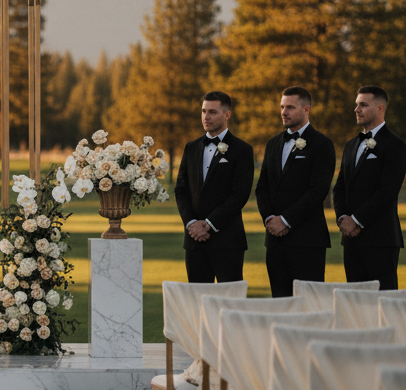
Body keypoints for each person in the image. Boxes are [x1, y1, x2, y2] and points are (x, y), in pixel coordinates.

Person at [255, 87, 337, 297]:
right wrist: (270, 219)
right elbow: (262, 187)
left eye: (290, 107)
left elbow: (317, 191)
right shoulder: (273, 144)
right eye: (282, 107)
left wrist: (286, 220)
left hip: (307, 240)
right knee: (280, 302)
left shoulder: (322, 144)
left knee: (309, 305)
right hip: (275, 241)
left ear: (306, 109)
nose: (284, 112)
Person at [174, 90, 254, 283]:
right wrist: (192, 224)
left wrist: (209, 224)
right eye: (203, 111)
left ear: (227, 115)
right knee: (197, 301)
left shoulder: (242, 150)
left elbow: (240, 194)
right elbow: (181, 189)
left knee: (230, 303)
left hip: (227, 241)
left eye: (212, 112)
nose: (206, 117)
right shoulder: (191, 148)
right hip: (194, 242)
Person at [332, 85, 406, 290]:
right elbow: (339, 188)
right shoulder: (350, 145)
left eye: (363, 105)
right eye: (357, 105)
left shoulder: (395, 145)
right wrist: (343, 219)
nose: (357, 109)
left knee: (383, 303)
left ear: (380, 108)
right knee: (355, 303)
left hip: (380, 239)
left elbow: (387, 192)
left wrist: (356, 220)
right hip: (351, 241)